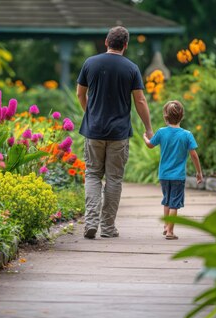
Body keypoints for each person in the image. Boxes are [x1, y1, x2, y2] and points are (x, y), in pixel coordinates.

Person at [76, 26, 153, 240]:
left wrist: (90, 114)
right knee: (114, 179)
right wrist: (148, 128)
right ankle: (108, 228)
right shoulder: (131, 68)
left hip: (94, 131)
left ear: (106, 42)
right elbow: (140, 100)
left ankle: (91, 223)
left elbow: (80, 94)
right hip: (118, 133)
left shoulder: (90, 63)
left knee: (92, 174)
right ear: (125, 46)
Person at [142, 100, 203, 240]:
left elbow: (150, 145)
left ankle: (166, 226)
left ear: (165, 117)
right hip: (178, 176)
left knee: (167, 201)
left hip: (164, 175)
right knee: (175, 203)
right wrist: (198, 172)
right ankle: (170, 231)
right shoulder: (187, 134)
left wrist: (145, 137)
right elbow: (193, 154)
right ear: (182, 116)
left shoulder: (161, 132)